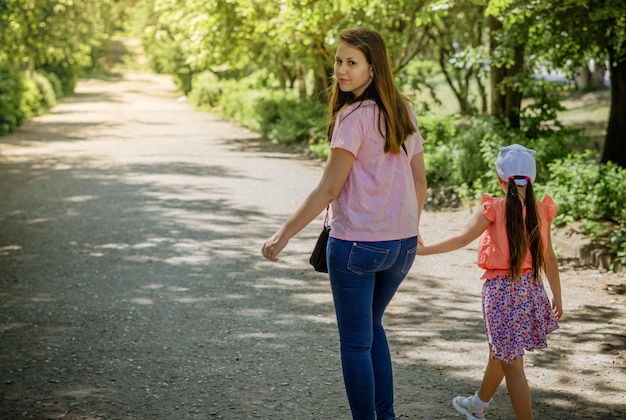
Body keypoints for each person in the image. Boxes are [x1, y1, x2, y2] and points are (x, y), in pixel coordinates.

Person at [262, 28, 427, 419]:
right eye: (338, 60)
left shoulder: (353, 117)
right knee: (373, 328)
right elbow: (419, 180)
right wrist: (409, 226)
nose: (341, 70)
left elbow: (329, 189)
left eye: (352, 62)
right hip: (402, 247)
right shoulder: (404, 110)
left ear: (374, 67)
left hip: (357, 247)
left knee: (356, 343)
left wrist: (283, 234)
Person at [417, 144, 563, 420]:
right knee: (504, 350)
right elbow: (550, 256)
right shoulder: (541, 210)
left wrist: (422, 249)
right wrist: (557, 295)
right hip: (531, 289)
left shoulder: (493, 208)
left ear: (500, 179)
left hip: (500, 292)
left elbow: (461, 239)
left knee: (512, 363)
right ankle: (477, 405)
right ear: (531, 179)